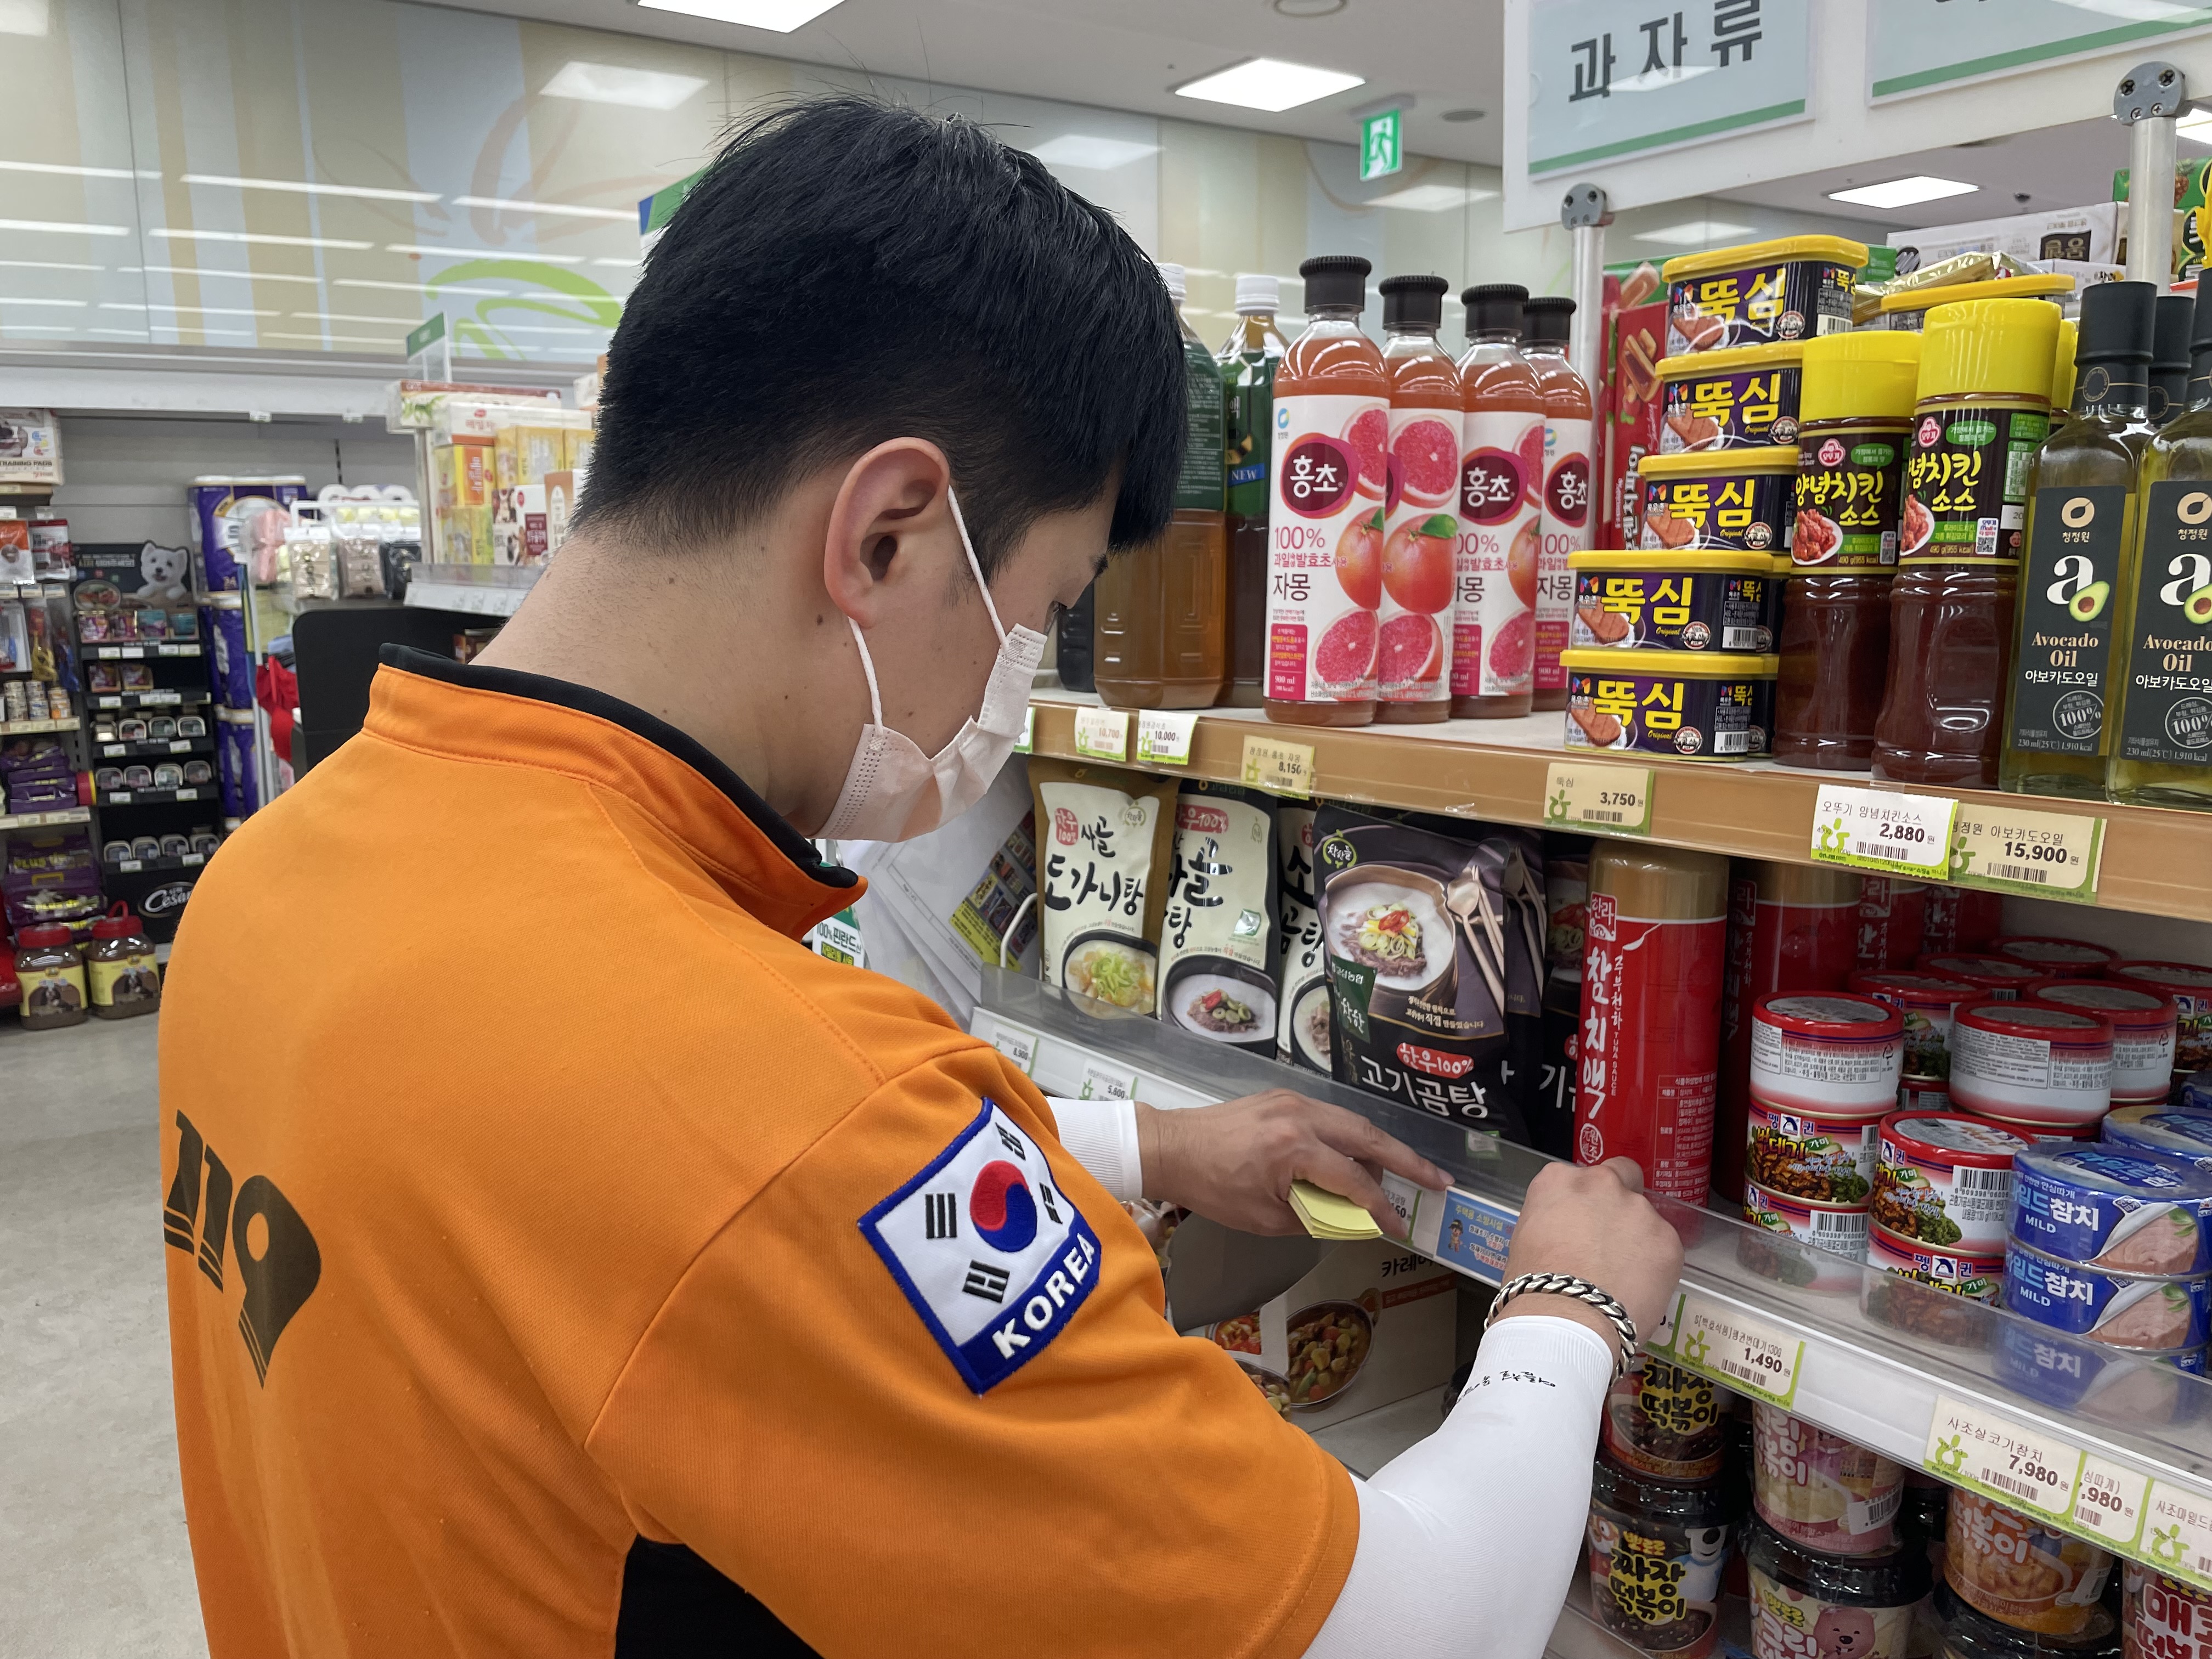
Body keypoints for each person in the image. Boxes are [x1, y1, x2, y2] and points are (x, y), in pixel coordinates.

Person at [160, 97, 1682, 1658]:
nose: (1021, 681)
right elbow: (1400, 1628)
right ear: (887, 535)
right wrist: (1566, 1319)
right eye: (1048, 611)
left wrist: (1144, 1141)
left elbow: (605, 1205)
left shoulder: (275, 878)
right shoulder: (786, 1109)